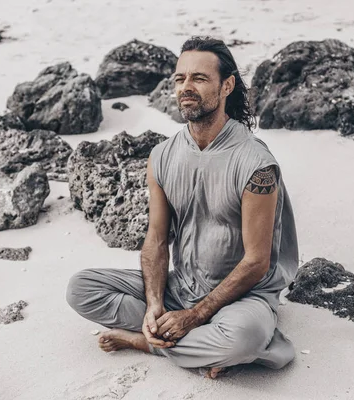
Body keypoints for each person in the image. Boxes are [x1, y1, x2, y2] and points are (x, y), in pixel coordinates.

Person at [66, 36, 299, 379]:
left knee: (244, 338)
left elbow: (256, 262)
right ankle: (187, 342)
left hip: (242, 298)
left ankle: (148, 344)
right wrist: (156, 303)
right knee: (81, 289)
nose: (186, 87)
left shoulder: (255, 163)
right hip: (181, 286)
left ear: (227, 86)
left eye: (200, 78)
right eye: (180, 79)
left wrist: (194, 316)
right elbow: (157, 241)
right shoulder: (162, 155)